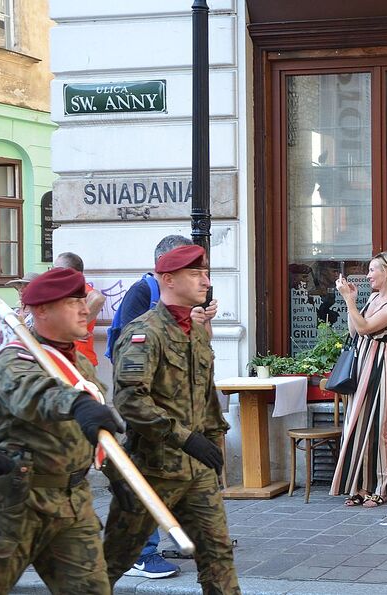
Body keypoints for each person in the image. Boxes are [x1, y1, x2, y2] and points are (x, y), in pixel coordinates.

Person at [103, 245, 239, 593]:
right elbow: (131, 400)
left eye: (205, 273)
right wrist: (184, 438)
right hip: (153, 470)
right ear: (168, 279)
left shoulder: (194, 332)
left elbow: (205, 395)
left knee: (218, 554)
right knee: (113, 560)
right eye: (196, 274)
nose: (205, 281)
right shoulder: (144, 333)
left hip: (197, 471)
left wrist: (211, 439)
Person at [0, 267, 124, 593]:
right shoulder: (14, 361)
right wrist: (77, 403)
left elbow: (88, 434)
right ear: (42, 310)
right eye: (71, 302)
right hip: (19, 502)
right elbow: (32, 394)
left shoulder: (81, 363)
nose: (84, 308)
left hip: (73, 504)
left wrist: (120, 479)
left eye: (83, 299)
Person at [330, 252, 387, 507]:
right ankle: (358, 486)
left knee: (376, 427)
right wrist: (352, 301)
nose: (368, 275)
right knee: (356, 424)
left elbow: (364, 328)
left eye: (373, 270)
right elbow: (354, 330)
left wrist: (349, 301)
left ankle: (379, 488)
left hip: (378, 365)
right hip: (361, 362)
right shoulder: (372, 297)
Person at [54, 252, 106, 366]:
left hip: (80, 361)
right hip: (70, 359)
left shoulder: (78, 287)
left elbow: (99, 298)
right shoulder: (66, 290)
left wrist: (73, 328)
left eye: (56, 269)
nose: (53, 273)